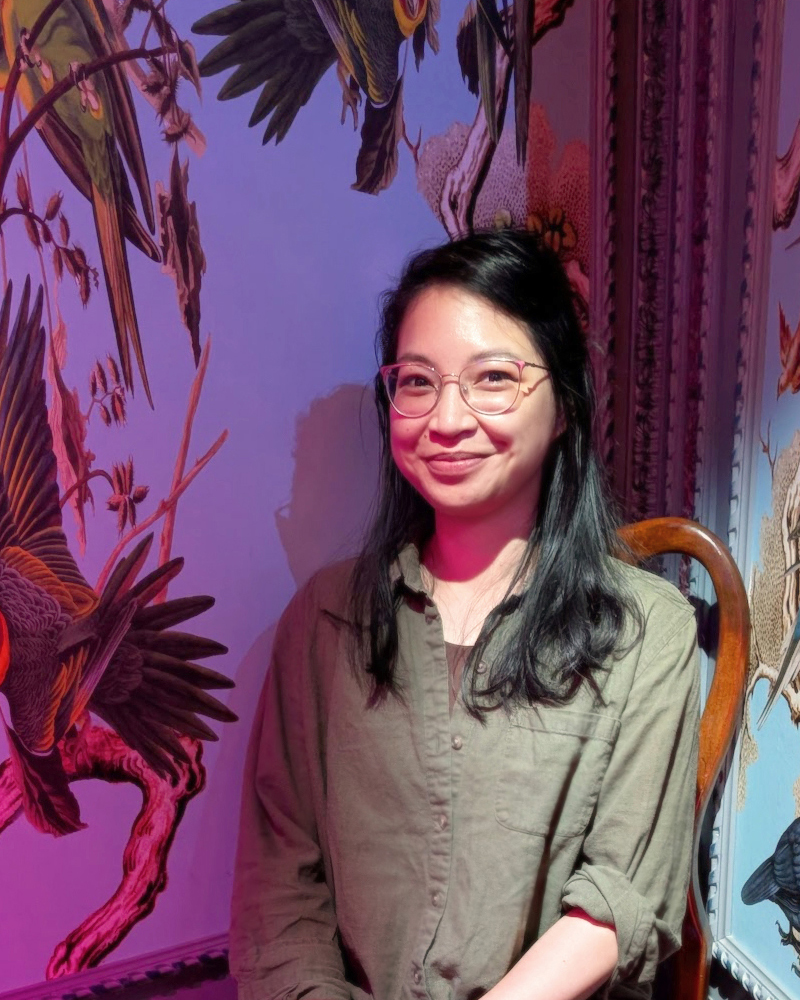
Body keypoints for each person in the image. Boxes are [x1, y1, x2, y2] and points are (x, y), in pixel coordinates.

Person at [229, 230, 700, 1000]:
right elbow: (279, 888)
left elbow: (619, 901)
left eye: (493, 378)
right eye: (417, 382)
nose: (445, 420)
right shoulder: (322, 621)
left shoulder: (646, 630)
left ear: (564, 409)